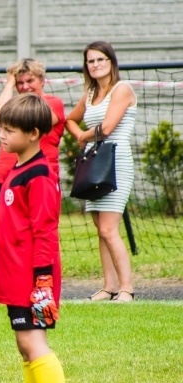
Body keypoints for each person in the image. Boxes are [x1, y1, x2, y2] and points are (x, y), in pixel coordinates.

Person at [0, 93, 80, 383]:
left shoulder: (40, 174)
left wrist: (42, 281)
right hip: (16, 276)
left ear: (32, 134)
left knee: (34, 342)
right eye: (0, 128)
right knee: (24, 344)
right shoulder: (18, 167)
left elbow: (46, 229)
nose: (1, 135)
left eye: (9, 130)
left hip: (33, 278)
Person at [65, 41, 136, 303]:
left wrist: (84, 135)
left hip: (115, 162)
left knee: (108, 229)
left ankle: (127, 289)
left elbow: (106, 129)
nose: (95, 65)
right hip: (94, 162)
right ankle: (109, 287)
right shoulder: (91, 92)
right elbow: (69, 119)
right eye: (90, 61)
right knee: (100, 227)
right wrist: (79, 136)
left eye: (100, 60)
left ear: (111, 61)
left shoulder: (122, 89)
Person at [0, 58, 66, 204]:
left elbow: (0, 113)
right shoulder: (14, 106)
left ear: (42, 80)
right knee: (8, 223)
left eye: (30, 81)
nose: (25, 86)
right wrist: (10, 83)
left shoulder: (53, 104)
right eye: (20, 82)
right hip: (7, 174)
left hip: (39, 176)